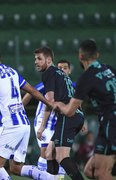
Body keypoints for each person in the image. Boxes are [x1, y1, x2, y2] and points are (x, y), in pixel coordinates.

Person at [0, 44, 55, 180]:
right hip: (23, 124)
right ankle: (50, 178)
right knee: (16, 168)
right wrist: (49, 103)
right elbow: (32, 91)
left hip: (10, 125)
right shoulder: (12, 71)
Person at [54, 39, 116, 180]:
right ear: (97, 54)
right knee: (89, 171)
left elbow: (69, 111)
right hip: (105, 125)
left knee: (102, 173)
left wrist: (58, 105)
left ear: (80, 56)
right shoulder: (109, 69)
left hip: (112, 122)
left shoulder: (86, 77)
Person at [33, 46, 85, 180]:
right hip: (76, 115)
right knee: (50, 152)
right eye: (35, 59)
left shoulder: (49, 73)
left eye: (39, 59)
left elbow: (49, 101)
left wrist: (42, 126)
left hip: (67, 117)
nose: (36, 62)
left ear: (49, 60)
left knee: (61, 157)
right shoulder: (62, 74)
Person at [22, 59, 75, 179]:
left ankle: (56, 177)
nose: (61, 70)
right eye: (59, 67)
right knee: (46, 152)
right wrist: (20, 108)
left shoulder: (71, 86)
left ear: (69, 71)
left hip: (59, 123)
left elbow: (77, 101)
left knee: (59, 153)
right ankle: (42, 175)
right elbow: (31, 92)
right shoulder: (50, 83)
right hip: (43, 121)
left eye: (65, 68)